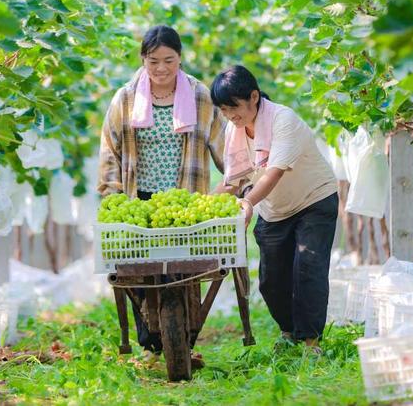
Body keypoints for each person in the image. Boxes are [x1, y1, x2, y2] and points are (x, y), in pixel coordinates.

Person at [97, 25, 226, 362]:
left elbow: (223, 144)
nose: (161, 69)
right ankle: (149, 343)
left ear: (180, 59)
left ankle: (185, 338)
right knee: (138, 272)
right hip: (138, 201)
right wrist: (111, 195)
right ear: (143, 60)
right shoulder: (125, 97)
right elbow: (110, 149)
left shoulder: (200, 96)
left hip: (183, 200)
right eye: (153, 61)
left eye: (169, 60)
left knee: (184, 272)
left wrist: (240, 183)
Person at [211, 65, 338, 352]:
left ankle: (310, 342)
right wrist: (204, 203)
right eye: (223, 110)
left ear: (254, 96)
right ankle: (289, 331)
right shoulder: (236, 130)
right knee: (271, 281)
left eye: (234, 107)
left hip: (313, 201)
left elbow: (273, 172)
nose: (230, 116)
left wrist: (247, 202)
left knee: (308, 267)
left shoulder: (283, 119)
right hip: (275, 209)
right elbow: (232, 180)